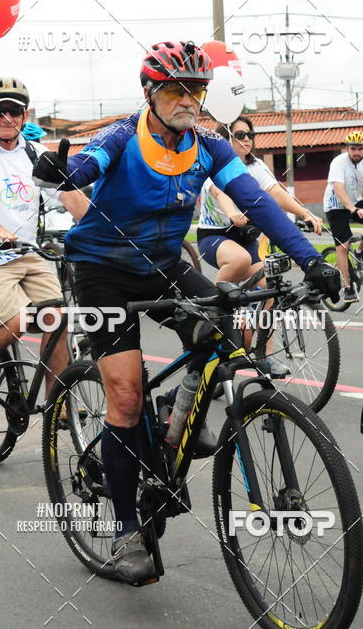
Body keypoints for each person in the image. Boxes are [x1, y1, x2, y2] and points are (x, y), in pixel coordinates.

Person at [33, 40, 341, 584]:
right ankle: (126, 531)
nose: (188, 100)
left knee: (223, 333)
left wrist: (311, 260)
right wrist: (61, 170)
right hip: (103, 272)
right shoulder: (123, 135)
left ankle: (177, 413)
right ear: (149, 93)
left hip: (162, 265)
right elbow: (83, 166)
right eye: (175, 90)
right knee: (124, 397)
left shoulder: (210, 146)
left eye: (196, 90)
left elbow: (257, 202)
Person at [0, 77, 84, 402]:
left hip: (27, 254)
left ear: (25, 115)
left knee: (58, 320)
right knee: (18, 319)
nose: (7, 118)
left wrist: (104, 229)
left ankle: (56, 404)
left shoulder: (36, 152)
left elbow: (68, 194)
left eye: (14, 111)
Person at [197, 115, 323, 374]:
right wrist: (232, 212)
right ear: (226, 138)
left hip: (246, 237)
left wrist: (305, 213)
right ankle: (212, 310)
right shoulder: (214, 163)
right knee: (239, 260)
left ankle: (263, 354)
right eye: (240, 135)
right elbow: (219, 193)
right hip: (215, 236)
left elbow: (276, 193)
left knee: (270, 290)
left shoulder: (255, 166)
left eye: (250, 135)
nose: (247, 140)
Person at [323, 131, 363, 302]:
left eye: (360, 149)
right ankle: (347, 287)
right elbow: (338, 188)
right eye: (353, 148)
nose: (356, 152)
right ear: (347, 149)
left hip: (355, 201)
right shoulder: (339, 162)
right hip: (336, 205)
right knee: (343, 246)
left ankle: (360, 252)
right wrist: (352, 209)